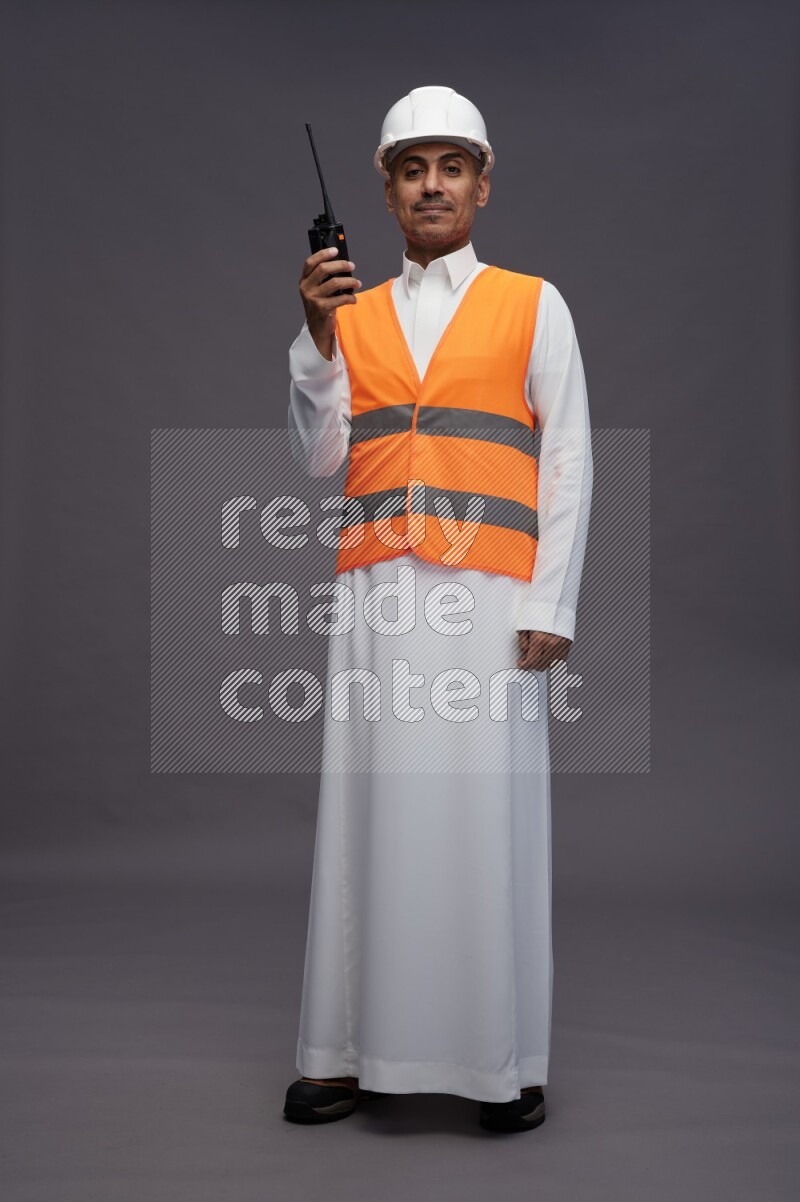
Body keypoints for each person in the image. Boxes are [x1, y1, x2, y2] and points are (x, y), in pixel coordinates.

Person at [283, 85, 593, 1133]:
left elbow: (566, 459)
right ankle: (340, 1050)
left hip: (492, 599)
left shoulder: (531, 301)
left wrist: (551, 601)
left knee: (483, 816)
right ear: (383, 188)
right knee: (367, 809)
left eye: (449, 165)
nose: (430, 184)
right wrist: (315, 339)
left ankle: (497, 1057)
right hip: (378, 594)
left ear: (481, 182)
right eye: (410, 167)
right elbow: (322, 455)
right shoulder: (349, 314)